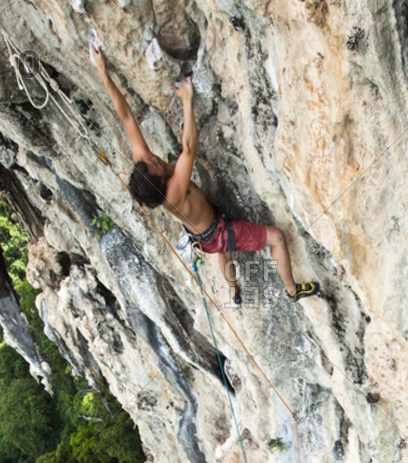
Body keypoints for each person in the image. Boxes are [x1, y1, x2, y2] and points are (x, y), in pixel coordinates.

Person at [90, 42, 318, 304]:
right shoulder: (172, 192)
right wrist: (187, 100)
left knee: (221, 249)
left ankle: (233, 291)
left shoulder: (146, 168)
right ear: (161, 184)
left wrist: (102, 72)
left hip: (201, 235)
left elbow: (126, 116)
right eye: (155, 166)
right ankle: (292, 290)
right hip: (215, 233)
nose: (154, 159)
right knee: (275, 237)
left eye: (149, 161)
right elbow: (188, 148)